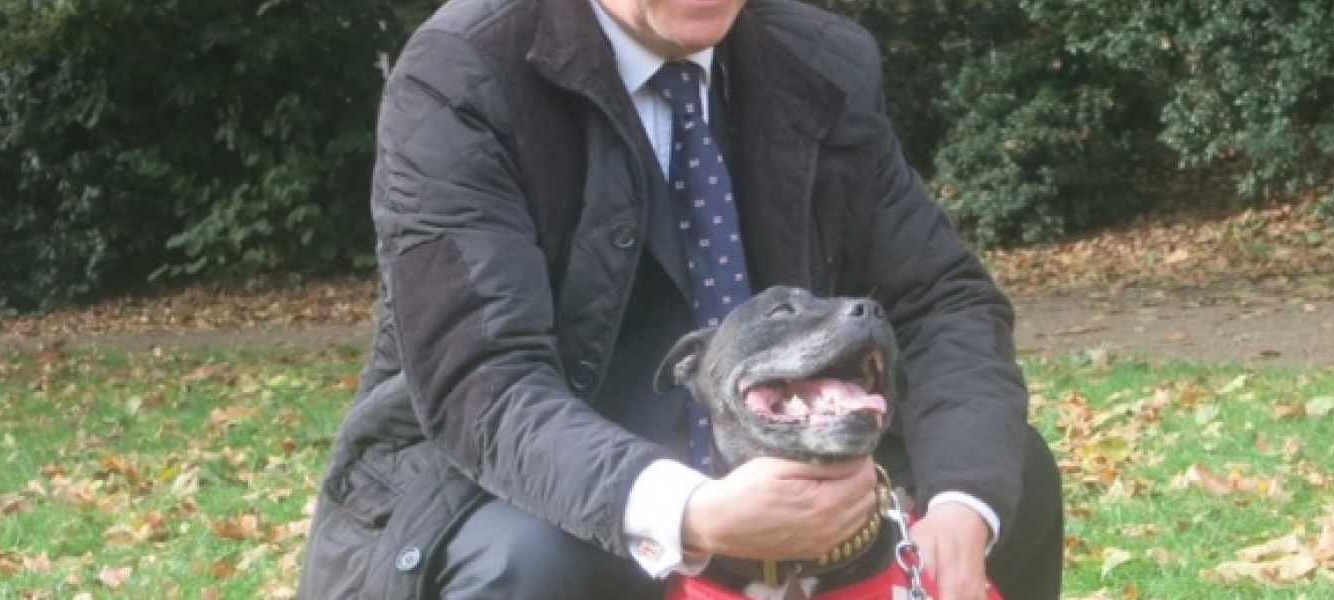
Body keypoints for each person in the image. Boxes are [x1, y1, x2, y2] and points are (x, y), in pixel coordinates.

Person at [297, 0, 1064, 597]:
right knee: (529, 563)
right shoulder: (462, 71)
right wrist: (693, 512)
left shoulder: (820, 58)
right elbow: (484, 383)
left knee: (1007, 471)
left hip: (783, 444)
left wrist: (963, 505)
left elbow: (942, 299)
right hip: (515, 480)